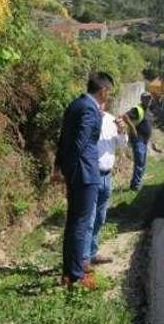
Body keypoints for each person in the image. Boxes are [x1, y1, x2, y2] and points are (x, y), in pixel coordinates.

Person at [55, 72, 114, 289]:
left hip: (75, 171)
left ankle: (68, 273)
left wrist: (60, 167)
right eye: (109, 92)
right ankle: (77, 276)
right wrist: (72, 169)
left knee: (73, 224)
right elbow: (79, 143)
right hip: (86, 173)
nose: (109, 96)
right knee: (80, 224)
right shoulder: (90, 109)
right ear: (103, 90)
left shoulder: (75, 104)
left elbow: (63, 139)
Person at [85, 107, 128, 266]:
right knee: (89, 219)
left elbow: (122, 145)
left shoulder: (111, 120)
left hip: (107, 176)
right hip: (91, 175)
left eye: (102, 102)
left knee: (100, 217)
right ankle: (84, 259)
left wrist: (122, 130)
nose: (99, 105)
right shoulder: (86, 120)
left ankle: (92, 252)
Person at [124, 93, 153, 191]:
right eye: (146, 99)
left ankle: (137, 183)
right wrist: (132, 128)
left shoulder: (148, 110)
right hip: (138, 140)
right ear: (141, 99)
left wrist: (150, 140)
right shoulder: (137, 109)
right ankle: (135, 185)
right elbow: (125, 116)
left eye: (149, 99)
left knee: (143, 164)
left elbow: (148, 125)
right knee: (139, 163)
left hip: (145, 141)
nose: (148, 101)